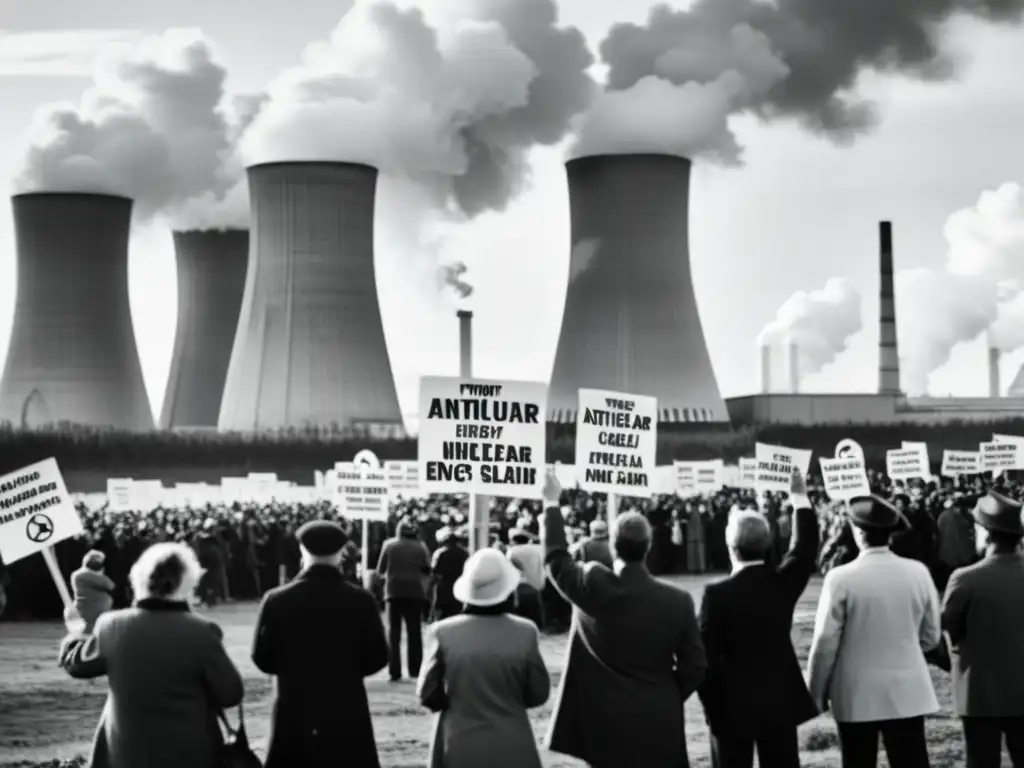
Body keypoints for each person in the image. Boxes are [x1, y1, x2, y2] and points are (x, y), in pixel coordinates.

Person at [541, 472, 707, 768]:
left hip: (601, 718)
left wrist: (551, 502)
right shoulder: (678, 601)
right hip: (658, 716)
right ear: (649, 546)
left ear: (612, 545)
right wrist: (666, 694)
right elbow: (695, 665)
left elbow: (555, 558)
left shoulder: (591, 584)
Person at [57, 542, 244, 768]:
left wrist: (74, 635)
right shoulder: (202, 631)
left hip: (125, 755)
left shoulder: (111, 625)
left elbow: (76, 665)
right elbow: (230, 693)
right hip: (190, 754)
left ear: (138, 579)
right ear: (188, 582)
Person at [807, 495, 941, 768]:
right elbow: (931, 637)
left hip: (855, 692)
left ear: (857, 532)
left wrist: (816, 692)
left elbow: (824, 643)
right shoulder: (918, 572)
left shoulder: (840, 578)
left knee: (857, 761)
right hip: (907, 690)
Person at [698, 470, 820, 768]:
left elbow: (706, 659)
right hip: (777, 700)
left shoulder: (716, 595)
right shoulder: (780, 584)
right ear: (767, 546)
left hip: (730, 705)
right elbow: (805, 549)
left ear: (730, 547)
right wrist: (799, 498)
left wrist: (712, 707)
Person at [252, 519, 389, 768]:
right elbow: (378, 657)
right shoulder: (361, 600)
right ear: (340, 554)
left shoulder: (276, 599)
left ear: (303, 551)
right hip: (346, 706)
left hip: (293, 704)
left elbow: (262, 658)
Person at [417, 548, 550, 768]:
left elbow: (427, 694)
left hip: (458, 741)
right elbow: (538, 694)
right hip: (513, 743)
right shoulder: (526, 632)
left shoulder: (442, 632)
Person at [942, 491, 1024, 767]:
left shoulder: (965, 579)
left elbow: (946, 630)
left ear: (985, 534)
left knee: (981, 761)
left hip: (979, 695)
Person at [376, 517, 432, 681]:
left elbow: (380, 569)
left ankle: (395, 671)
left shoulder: (389, 545)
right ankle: (415, 669)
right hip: (415, 592)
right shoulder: (421, 547)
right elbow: (428, 569)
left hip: (393, 592)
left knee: (394, 633)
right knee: (414, 632)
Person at [67, 549, 116, 633]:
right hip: (89, 611)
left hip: (94, 611)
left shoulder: (81, 574)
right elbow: (110, 585)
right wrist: (100, 574)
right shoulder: (84, 574)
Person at [935, 496, 976, 593]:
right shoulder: (963, 517)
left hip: (947, 552)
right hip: (962, 552)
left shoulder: (943, 515)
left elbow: (939, 529)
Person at [506, 527, 545, 630]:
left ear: (514, 541)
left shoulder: (513, 551)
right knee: (536, 607)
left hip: (521, 585)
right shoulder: (538, 549)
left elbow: (510, 568)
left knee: (522, 610)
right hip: (537, 583)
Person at [430, 527, 469, 622]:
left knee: (442, 619)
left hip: (444, 589)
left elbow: (435, 574)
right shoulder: (464, 553)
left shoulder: (440, 553)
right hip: (459, 589)